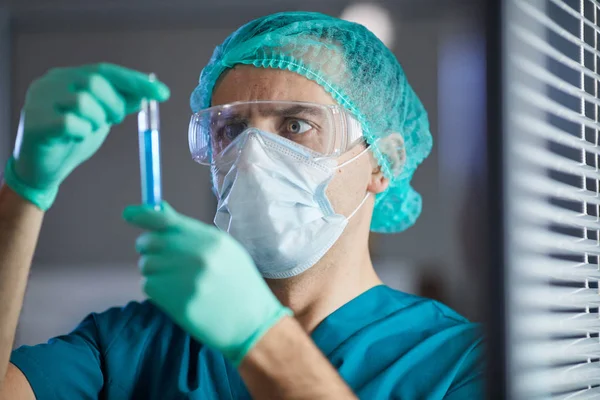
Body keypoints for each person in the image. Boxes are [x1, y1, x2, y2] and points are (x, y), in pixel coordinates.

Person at [0, 11, 483, 400]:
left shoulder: (458, 363)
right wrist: (24, 191)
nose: (251, 159)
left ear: (383, 162)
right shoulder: (132, 347)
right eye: (230, 131)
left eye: (296, 125)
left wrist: (261, 338)